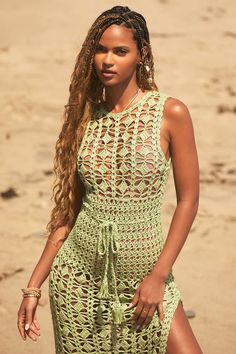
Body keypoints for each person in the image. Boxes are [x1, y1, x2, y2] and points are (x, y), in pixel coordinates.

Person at [17, 5, 203, 354]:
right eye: (101, 50)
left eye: (120, 51)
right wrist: (33, 287)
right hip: (78, 281)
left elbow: (189, 200)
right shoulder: (84, 119)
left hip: (146, 277)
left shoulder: (170, 113)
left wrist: (159, 276)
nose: (107, 60)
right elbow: (68, 214)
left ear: (141, 54)